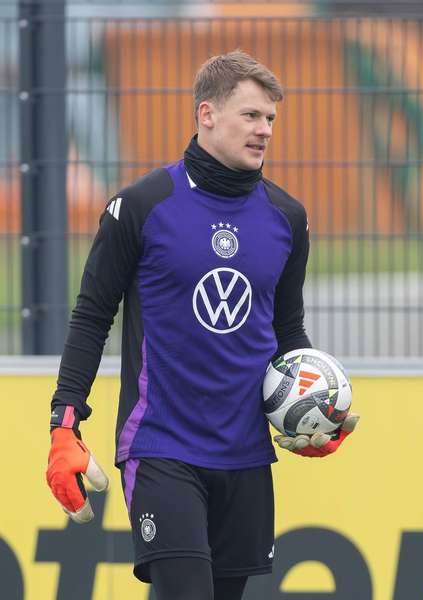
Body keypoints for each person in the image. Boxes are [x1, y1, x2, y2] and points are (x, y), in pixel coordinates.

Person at [45, 50, 359, 600]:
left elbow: (288, 331)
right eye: (251, 116)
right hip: (163, 446)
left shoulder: (288, 218)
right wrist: (64, 425)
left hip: (245, 453)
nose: (264, 130)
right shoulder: (141, 206)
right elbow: (92, 317)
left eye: (270, 120)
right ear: (206, 114)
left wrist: (313, 410)